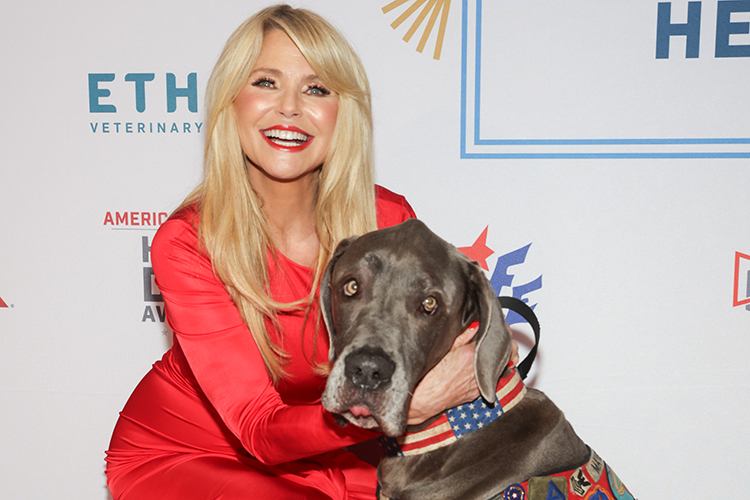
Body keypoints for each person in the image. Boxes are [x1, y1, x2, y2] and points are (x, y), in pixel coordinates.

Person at [106, 5, 514, 499]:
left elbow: (462, 341)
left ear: (343, 111)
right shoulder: (190, 241)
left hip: (344, 453)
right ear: (229, 101)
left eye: (316, 89)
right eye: (265, 82)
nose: (290, 108)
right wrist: (412, 407)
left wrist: (485, 353)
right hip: (194, 453)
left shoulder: (386, 220)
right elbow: (258, 428)